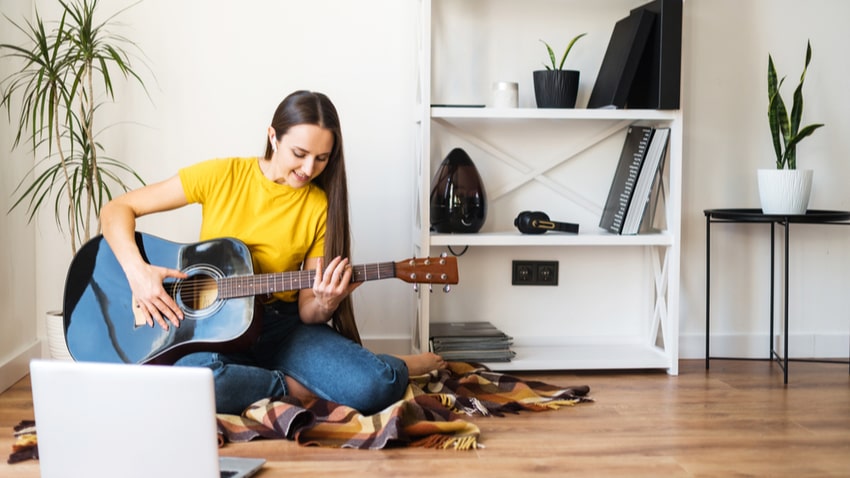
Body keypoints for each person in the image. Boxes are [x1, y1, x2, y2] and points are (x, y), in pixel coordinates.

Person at [100, 90, 446, 415]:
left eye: (322, 158)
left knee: (375, 386)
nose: (309, 169)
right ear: (273, 137)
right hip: (209, 327)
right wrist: (139, 274)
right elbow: (117, 209)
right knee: (196, 382)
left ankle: (393, 364)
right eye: (300, 154)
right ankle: (293, 387)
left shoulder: (320, 205)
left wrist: (326, 301)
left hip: (280, 326)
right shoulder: (221, 175)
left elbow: (309, 311)